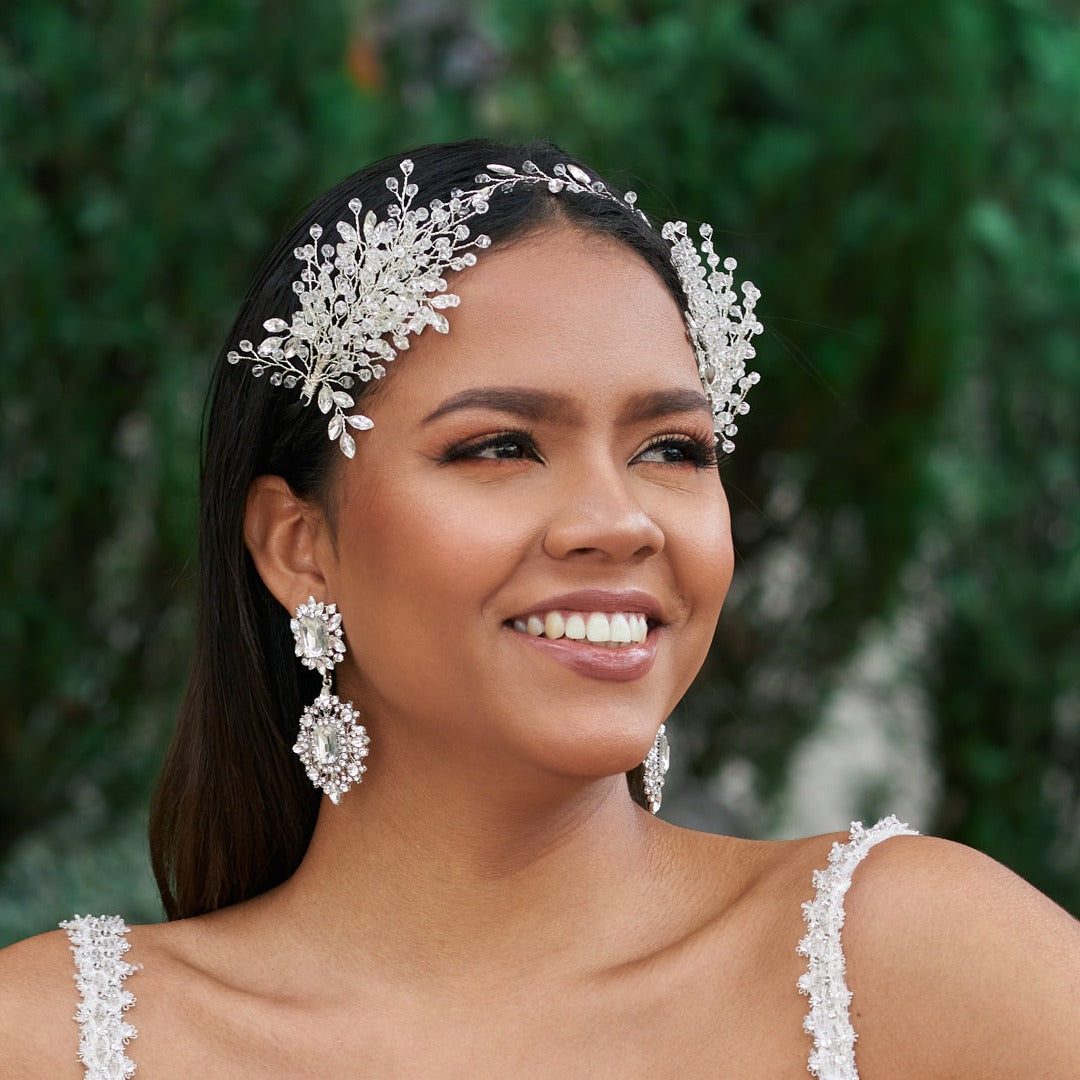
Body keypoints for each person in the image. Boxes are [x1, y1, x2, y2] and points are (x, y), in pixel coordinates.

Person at [1, 138, 1077, 1079]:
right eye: (500, 447)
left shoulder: (904, 965)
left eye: (673, 450)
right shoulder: (59, 1041)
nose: (617, 522)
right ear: (301, 545)